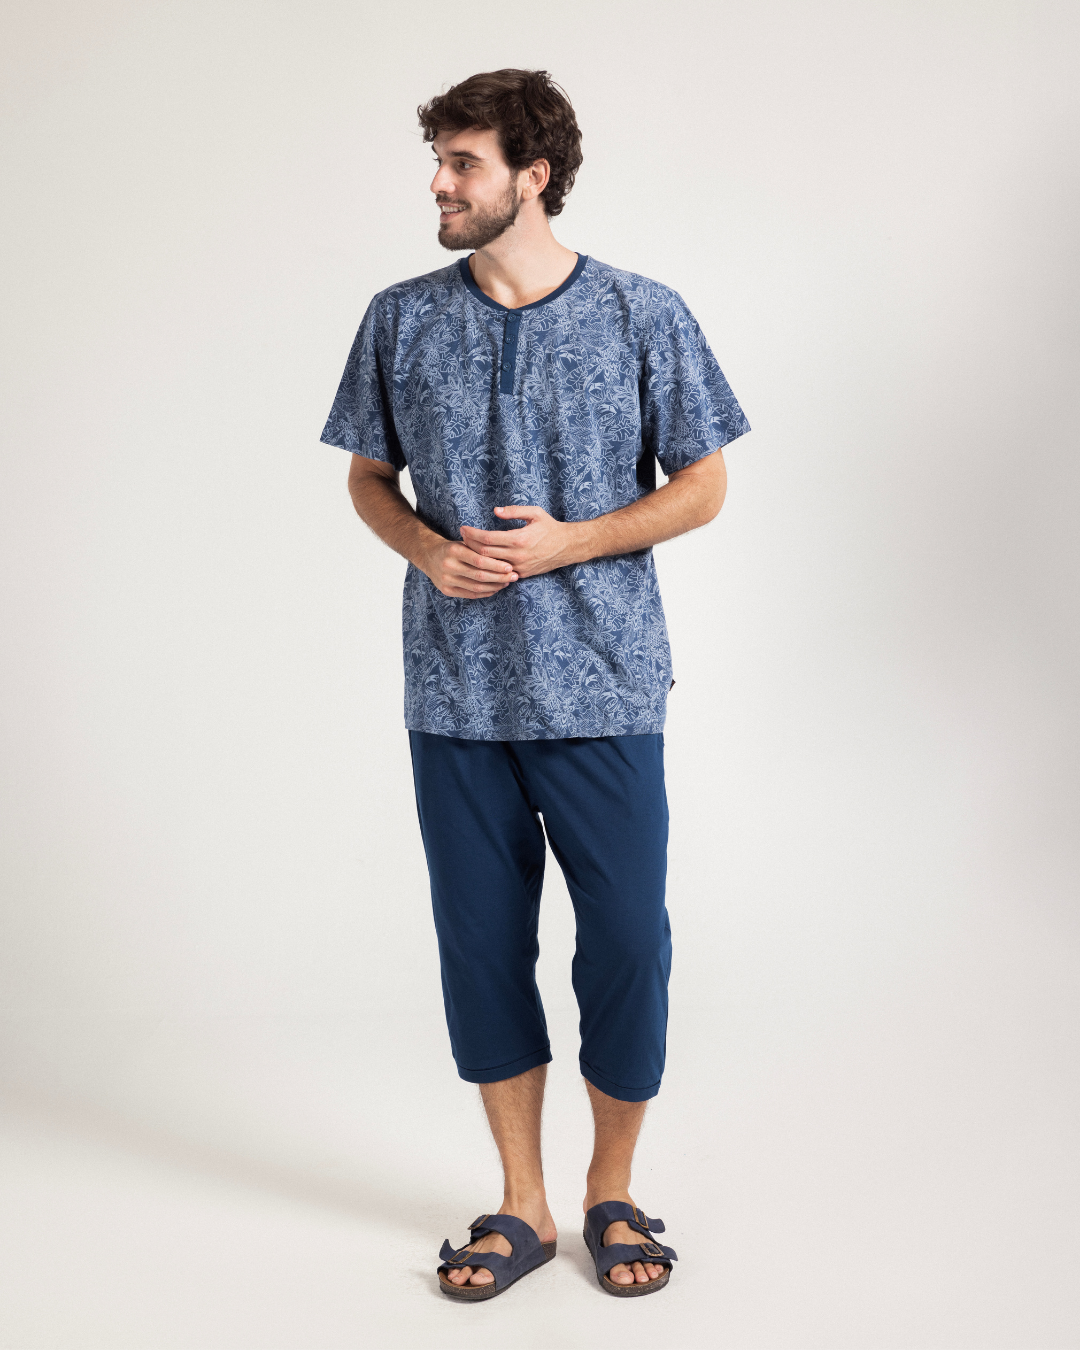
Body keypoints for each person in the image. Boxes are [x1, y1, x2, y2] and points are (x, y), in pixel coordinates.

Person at [321, 68, 749, 1300]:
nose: (439, 185)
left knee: (626, 944)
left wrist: (574, 542)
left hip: (604, 685)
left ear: (534, 175)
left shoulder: (641, 312)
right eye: (440, 161)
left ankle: (613, 1191)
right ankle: (522, 1202)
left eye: (463, 163)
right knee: (480, 947)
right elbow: (367, 480)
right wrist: (424, 549)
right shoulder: (399, 319)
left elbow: (705, 484)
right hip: (455, 692)